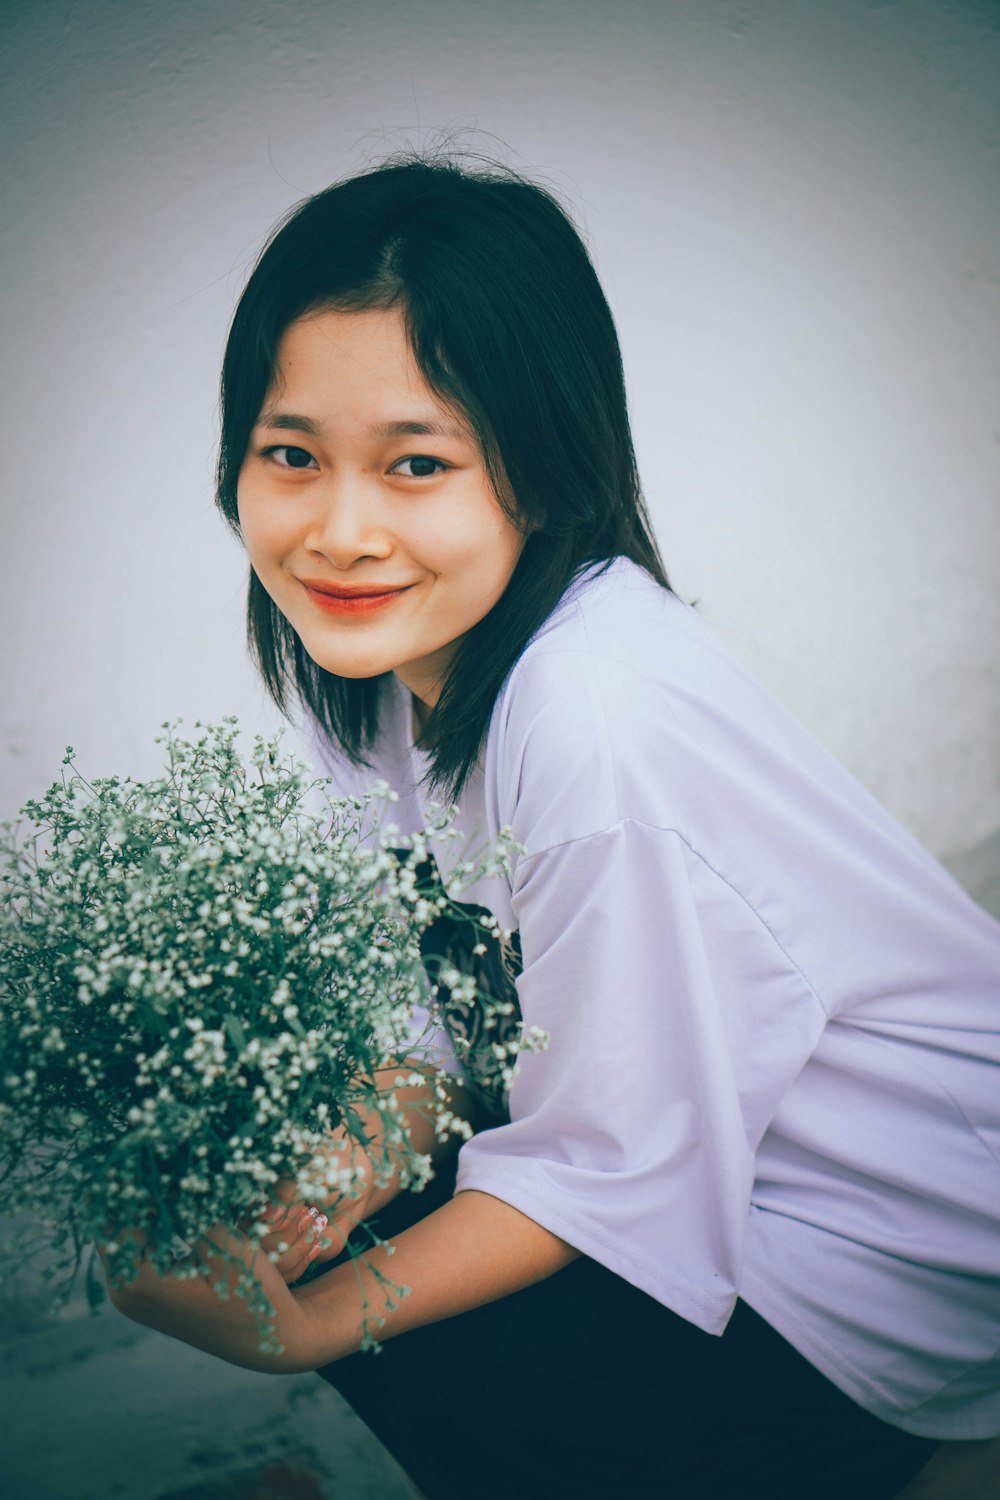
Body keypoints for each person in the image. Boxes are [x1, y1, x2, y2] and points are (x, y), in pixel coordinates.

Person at [107, 154, 1000, 1500]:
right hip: (720, 1162)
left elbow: (614, 1166)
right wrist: (348, 1168)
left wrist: (311, 1318)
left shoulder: (591, 716)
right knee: (282, 1195)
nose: (341, 531)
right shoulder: (375, 663)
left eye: (418, 464)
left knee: (401, 1331)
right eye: (292, 456)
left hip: (893, 1255)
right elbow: (446, 1013)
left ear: (540, 469)